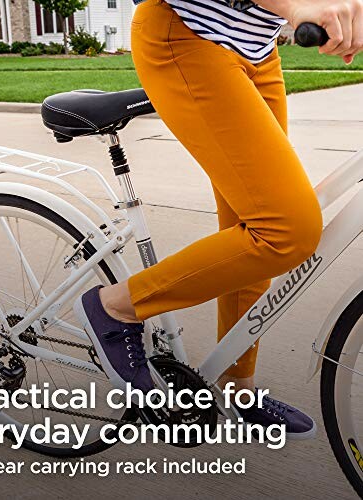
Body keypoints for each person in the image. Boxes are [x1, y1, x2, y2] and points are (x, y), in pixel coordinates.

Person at [74, 0, 363, 438]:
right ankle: (116, 306)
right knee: (286, 231)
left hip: (258, 50)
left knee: (252, 234)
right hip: (188, 35)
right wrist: (299, 6)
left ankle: (237, 386)